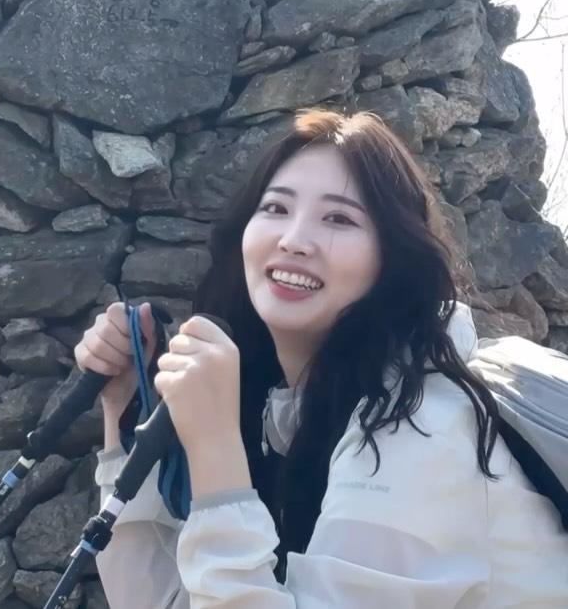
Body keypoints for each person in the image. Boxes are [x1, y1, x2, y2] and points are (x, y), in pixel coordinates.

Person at [74, 108, 568, 608]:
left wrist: (215, 447)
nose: (293, 240)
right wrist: (122, 407)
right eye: (275, 208)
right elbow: (158, 601)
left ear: (392, 258)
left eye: (339, 219)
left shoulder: (422, 427)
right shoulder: (296, 412)